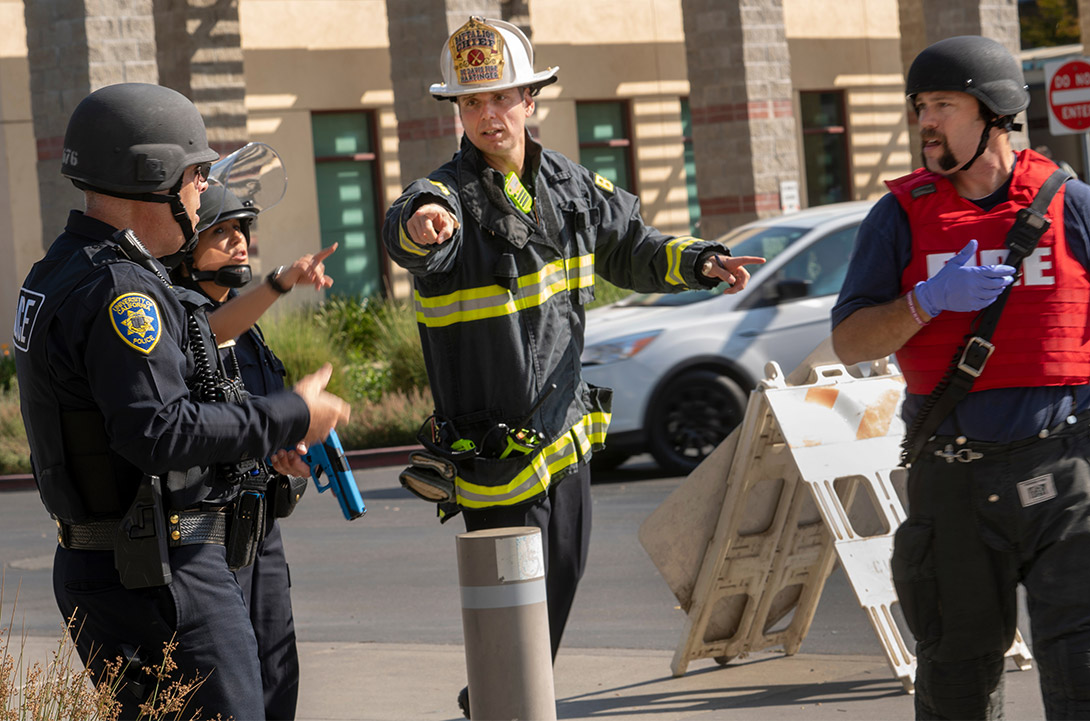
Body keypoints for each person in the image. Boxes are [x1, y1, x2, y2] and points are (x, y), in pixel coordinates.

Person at [382, 16, 763, 717]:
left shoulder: (570, 185)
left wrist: (702, 261)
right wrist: (418, 226)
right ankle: (496, 704)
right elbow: (410, 227)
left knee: (559, 580)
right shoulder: (444, 199)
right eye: (471, 103)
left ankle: (501, 697)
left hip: (564, 439)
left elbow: (635, 247)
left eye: (500, 98)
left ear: (530, 99)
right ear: (458, 112)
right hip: (492, 455)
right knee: (510, 605)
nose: (487, 115)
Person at [831, 36, 1090, 720]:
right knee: (957, 677)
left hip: (1061, 468)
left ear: (993, 111)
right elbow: (849, 340)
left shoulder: (1071, 205)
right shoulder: (898, 217)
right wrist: (926, 300)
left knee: (1088, 672)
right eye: (919, 107)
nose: (925, 120)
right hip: (953, 476)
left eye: (942, 104)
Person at [12, 82, 350, 720]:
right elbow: (159, 431)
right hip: (157, 575)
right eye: (197, 176)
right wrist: (293, 411)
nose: (203, 193)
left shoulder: (64, 269)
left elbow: (197, 342)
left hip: (122, 565)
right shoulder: (119, 290)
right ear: (154, 178)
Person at [170, 168, 337, 720]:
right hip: (207, 543)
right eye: (222, 231)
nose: (240, 239)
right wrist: (281, 282)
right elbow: (207, 335)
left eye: (244, 228)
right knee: (233, 696)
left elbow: (264, 429)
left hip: (259, 530)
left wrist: (290, 466)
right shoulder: (178, 319)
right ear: (188, 246)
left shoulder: (252, 332)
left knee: (276, 682)